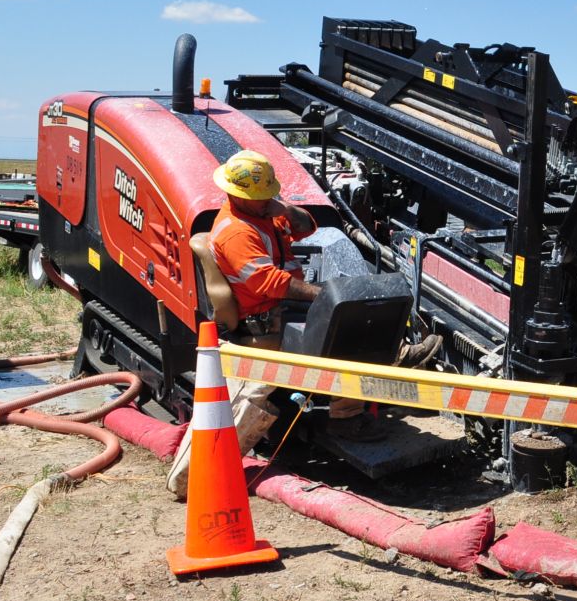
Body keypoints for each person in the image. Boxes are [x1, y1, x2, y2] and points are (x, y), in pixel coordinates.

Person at [167, 149, 436, 498]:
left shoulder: (262, 215)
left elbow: (307, 227)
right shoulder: (235, 233)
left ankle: (392, 358)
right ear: (236, 195)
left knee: (352, 305)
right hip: (268, 320)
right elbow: (268, 283)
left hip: (283, 306)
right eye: (260, 198)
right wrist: (322, 296)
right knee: (346, 324)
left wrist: (283, 208)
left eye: (269, 195)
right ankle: (347, 416)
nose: (267, 202)